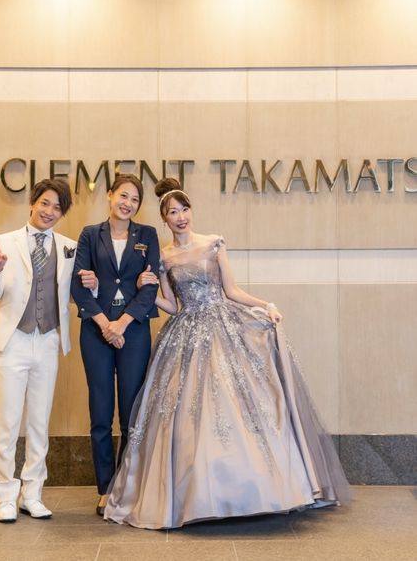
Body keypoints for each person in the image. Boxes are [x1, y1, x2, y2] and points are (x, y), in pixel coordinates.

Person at [104, 178, 350, 530]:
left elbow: (231, 291)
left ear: (191, 211)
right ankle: (196, 494)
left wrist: (265, 305)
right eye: (172, 212)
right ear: (165, 219)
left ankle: (255, 490)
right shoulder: (164, 256)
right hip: (185, 334)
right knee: (187, 410)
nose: (180, 216)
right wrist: (148, 289)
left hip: (222, 327)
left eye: (184, 209)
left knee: (235, 404)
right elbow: (172, 306)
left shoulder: (213, 243)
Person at [0, 179, 77, 523]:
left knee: (39, 422)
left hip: (48, 340)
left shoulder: (69, 247)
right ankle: (6, 496)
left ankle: (32, 494)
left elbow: (73, 293)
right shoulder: (5, 242)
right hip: (13, 341)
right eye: (45, 203)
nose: (50, 211)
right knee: (7, 422)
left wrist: (93, 285)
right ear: (33, 202)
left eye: (57, 207)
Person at [71, 174, 160, 516]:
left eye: (135, 199)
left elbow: (150, 287)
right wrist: (105, 324)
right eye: (123, 196)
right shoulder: (90, 235)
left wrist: (121, 324)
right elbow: (79, 285)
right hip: (96, 332)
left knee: (131, 413)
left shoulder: (147, 235)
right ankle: (106, 488)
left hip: (133, 331)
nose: (128, 203)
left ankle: (128, 486)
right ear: (109, 195)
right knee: (100, 412)